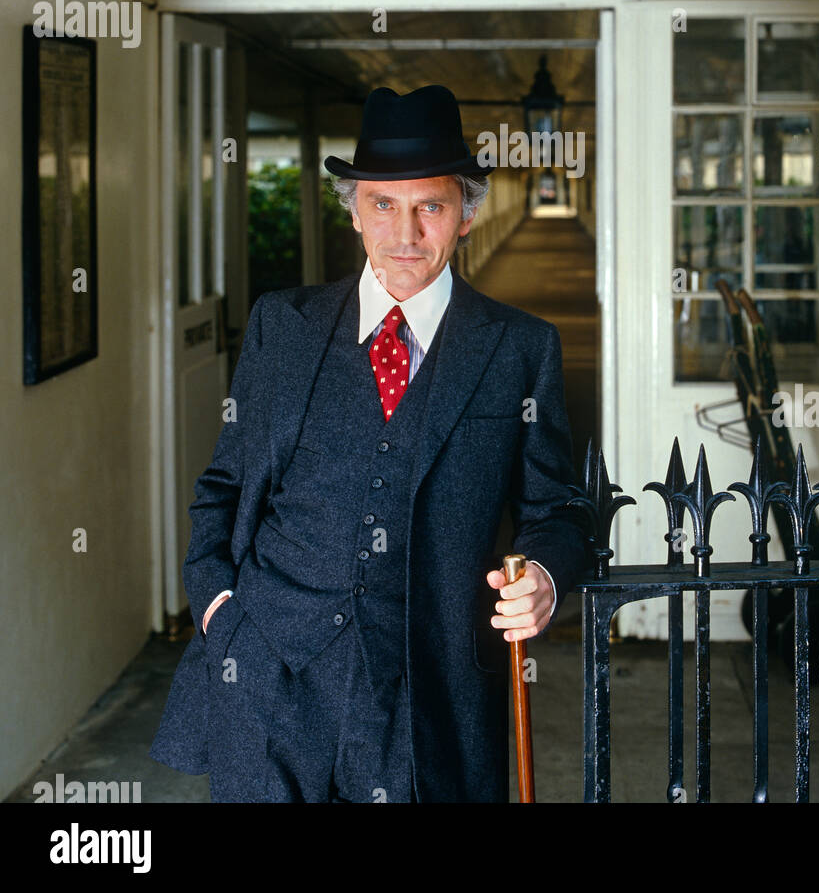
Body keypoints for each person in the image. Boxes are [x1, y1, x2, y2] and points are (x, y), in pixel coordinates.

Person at [150, 83, 587, 802]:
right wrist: (219, 611)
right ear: (352, 211)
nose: (405, 233)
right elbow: (224, 486)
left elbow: (560, 504)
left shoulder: (517, 348)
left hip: (428, 688)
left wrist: (542, 570)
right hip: (267, 675)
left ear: (467, 215)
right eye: (382, 203)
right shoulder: (281, 325)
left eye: (430, 206)